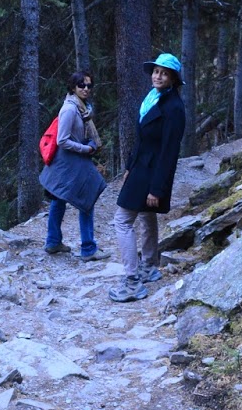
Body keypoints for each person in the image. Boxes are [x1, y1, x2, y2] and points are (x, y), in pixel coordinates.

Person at [110, 52, 186, 301]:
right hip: (140, 168)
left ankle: (132, 281)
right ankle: (149, 266)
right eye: (156, 71)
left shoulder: (174, 108)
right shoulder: (152, 99)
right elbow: (141, 140)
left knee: (122, 221)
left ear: (173, 79)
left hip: (151, 173)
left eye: (164, 73)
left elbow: (169, 152)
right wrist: (129, 167)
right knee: (145, 214)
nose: (158, 76)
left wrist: (157, 188)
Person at [39, 72, 109, 261]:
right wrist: (86, 148)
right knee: (87, 198)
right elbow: (62, 140)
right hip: (69, 161)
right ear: (73, 87)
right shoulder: (70, 109)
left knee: (59, 198)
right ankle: (88, 249)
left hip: (67, 161)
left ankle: (53, 242)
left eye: (89, 85)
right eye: (81, 85)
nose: (86, 89)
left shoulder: (82, 108)